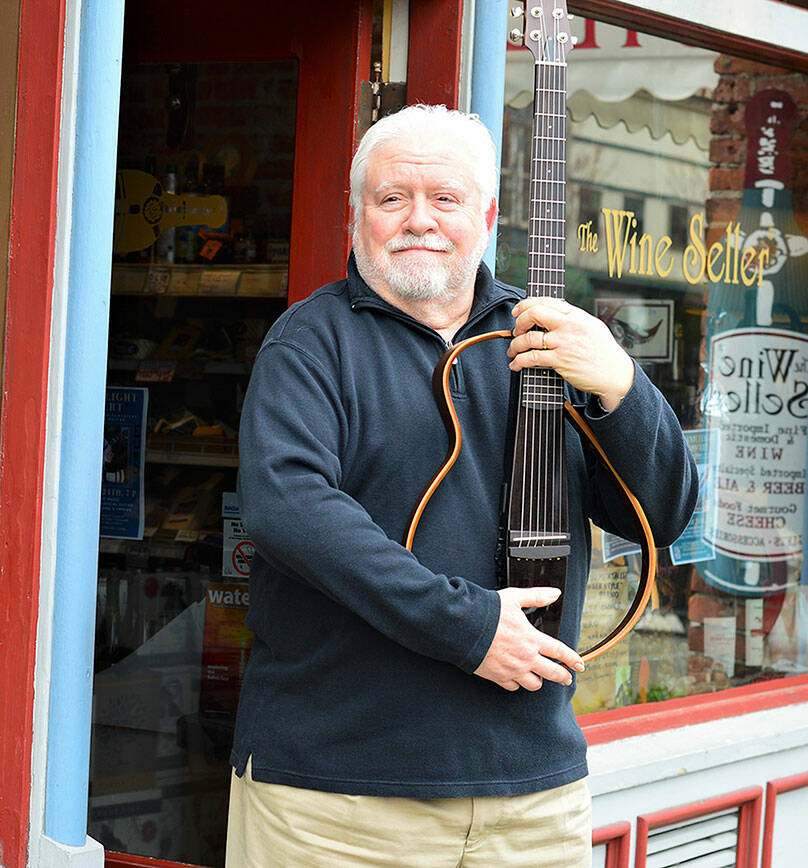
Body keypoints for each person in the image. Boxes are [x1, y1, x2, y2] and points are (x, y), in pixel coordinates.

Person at [226, 104, 698, 867]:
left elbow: (665, 515)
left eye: (443, 199)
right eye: (391, 199)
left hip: (533, 803)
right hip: (337, 803)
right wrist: (469, 626)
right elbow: (290, 508)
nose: (419, 220)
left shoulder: (550, 339)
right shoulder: (310, 344)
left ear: (486, 214)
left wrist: (621, 386)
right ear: (358, 216)